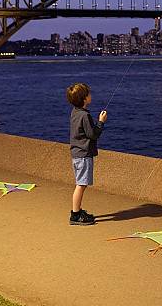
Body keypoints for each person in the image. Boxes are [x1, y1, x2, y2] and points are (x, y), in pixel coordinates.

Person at [66, 82, 108, 226]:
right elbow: (93, 135)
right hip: (83, 155)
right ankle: (75, 214)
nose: (91, 96)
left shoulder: (75, 112)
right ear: (84, 99)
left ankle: (77, 211)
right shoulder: (85, 115)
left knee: (81, 184)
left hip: (77, 153)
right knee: (81, 185)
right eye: (89, 94)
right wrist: (101, 122)